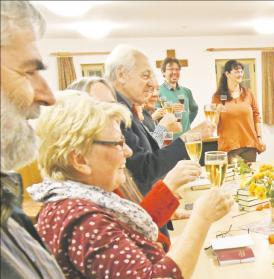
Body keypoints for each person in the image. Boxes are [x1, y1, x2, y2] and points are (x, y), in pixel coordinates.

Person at [1, 2, 190, 279]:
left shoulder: (17, 211)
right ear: (80, 159)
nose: (47, 95)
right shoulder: (77, 214)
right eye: (29, 70)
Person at [67, 76, 201, 245]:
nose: (153, 91)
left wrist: (165, 208)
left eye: (113, 105)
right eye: (144, 78)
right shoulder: (84, 208)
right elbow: (136, 245)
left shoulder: (142, 117)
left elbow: (137, 225)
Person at [106, 45, 204, 196]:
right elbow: (145, 168)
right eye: (146, 76)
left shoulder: (131, 109)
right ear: (121, 75)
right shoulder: (117, 112)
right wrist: (187, 137)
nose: (154, 85)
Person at [212, 59, 264, 162]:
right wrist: (217, 111)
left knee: (249, 177)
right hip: (229, 148)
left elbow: (256, 116)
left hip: (249, 146)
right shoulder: (218, 97)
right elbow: (214, 124)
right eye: (236, 72)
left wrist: (259, 138)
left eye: (241, 71)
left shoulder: (248, 94)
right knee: (231, 177)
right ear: (227, 74)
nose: (240, 74)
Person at [159, 56, 198, 137]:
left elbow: (194, 109)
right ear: (163, 72)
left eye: (177, 69)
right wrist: (169, 110)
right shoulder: (157, 91)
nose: (174, 72)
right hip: (168, 140)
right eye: (170, 69)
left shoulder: (186, 91)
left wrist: (186, 124)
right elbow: (154, 116)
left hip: (186, 139)